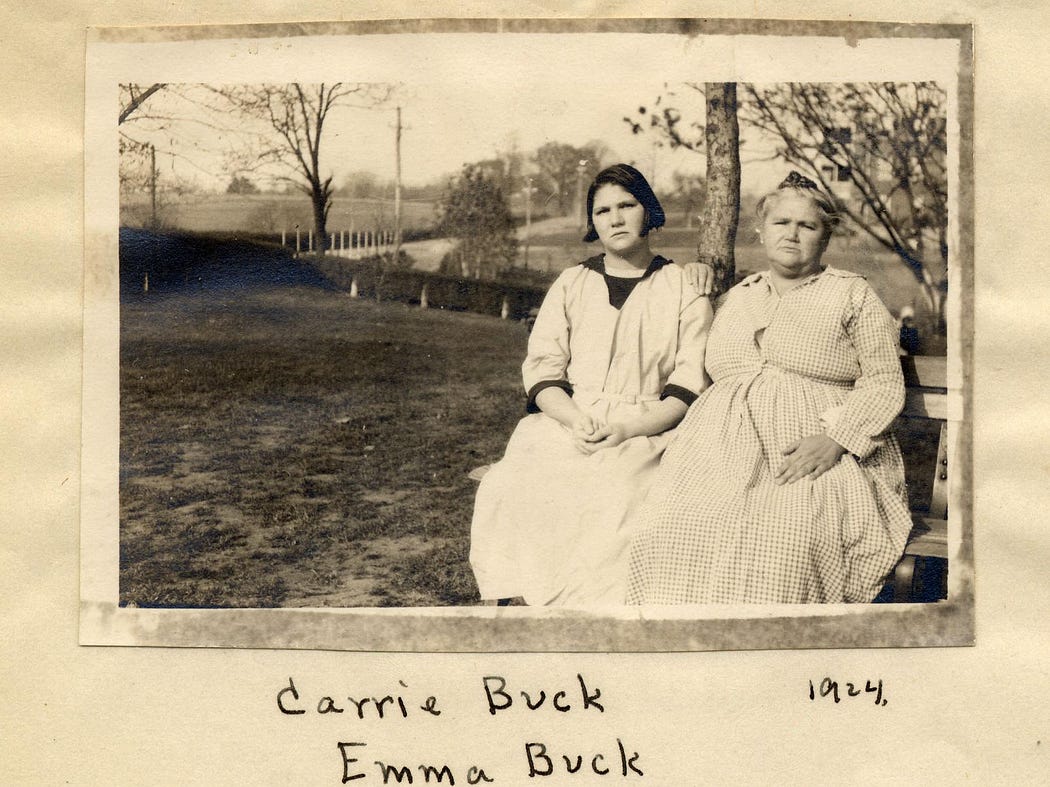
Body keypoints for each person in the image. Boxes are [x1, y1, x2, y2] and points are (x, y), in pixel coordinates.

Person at [627, 171, 912, 604]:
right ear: (762, 230)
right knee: (669, 530)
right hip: (716, 454)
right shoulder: (737, 296)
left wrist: (837, 439)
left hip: (811, 451)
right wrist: (696, 276)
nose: (792, 235)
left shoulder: (851, 295)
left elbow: (884, 381)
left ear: (825, 237)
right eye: (781, 223)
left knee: (784, 545)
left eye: (807, 226)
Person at [469, 164, 714, 606]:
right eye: (602, 211)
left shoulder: (682, 287)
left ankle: (586, 618)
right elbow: (542, 371)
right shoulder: (572, 282)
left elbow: (687, 384)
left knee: (616, 498)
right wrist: (576, 418)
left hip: (646, 427)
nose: (615, 219)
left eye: (627, 205)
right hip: (567, 419)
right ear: (592, 221)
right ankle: (514, 604)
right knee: (508, 487)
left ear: (649, 212)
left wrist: (628, 429)